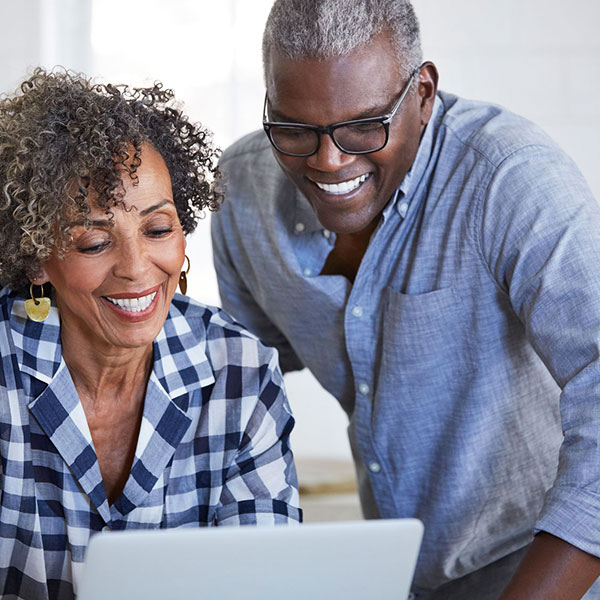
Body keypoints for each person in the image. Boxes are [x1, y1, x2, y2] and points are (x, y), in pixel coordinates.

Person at [210, 0, 600, 598]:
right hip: (402, 572)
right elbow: (238, 388)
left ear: (422, 93)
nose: (329, 161)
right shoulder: (241, 193)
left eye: (364, 126)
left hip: (549, 565)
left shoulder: (510, 177)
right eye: (293, 130)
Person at [0, 68, 301, 600]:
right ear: (35, 259)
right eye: (95, 242)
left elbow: (268, 581)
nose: (138, 269)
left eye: (158, 230)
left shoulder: (242, 372)